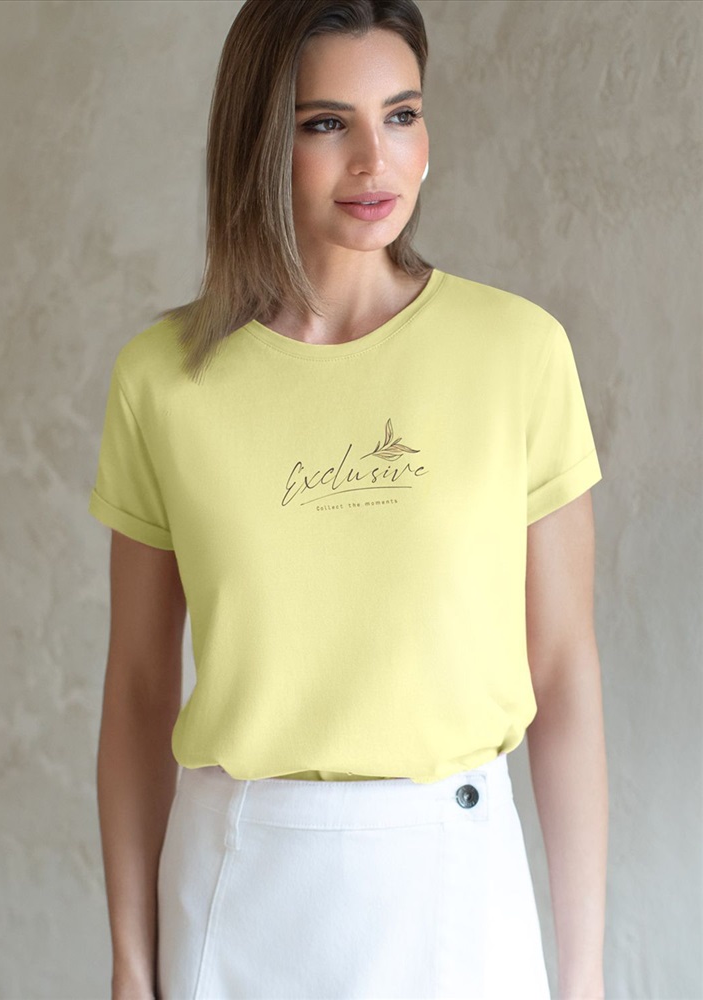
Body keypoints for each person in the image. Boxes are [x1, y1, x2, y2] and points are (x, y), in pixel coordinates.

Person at [88, 1, 608, 998]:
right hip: (235, 894)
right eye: (326, 123)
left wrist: (581, 977)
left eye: (401, 115)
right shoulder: (162, 379)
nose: (376, 159)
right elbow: (141, 685)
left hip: (460, 896)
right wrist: (130, 959)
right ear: (259, 143)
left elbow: (563, 670)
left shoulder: (518, 353)